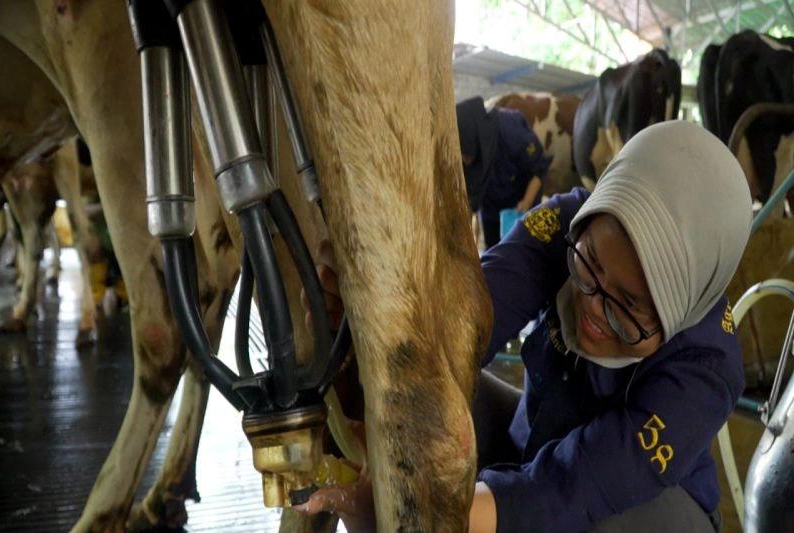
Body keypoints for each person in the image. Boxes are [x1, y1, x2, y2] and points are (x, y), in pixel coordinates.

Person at [296, 120, 752, 532]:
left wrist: (426, 512)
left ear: (679, 311)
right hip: (536, 436)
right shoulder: (566, 222)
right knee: (432, 394)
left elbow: (578, 486)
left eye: (628, 307)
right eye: (588, 267)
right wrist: (365, 330)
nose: (593, 309)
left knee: (596, 524)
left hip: (641, 505)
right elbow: (464, 325)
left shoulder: (705, 370)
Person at [456, 96, 552, 249]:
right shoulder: (464, 141)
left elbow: (538, 168)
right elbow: (470, 198)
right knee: (493, 252)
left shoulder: (511, 129)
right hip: (491, 208)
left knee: (520, 252)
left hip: (518, 206)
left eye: (467, 156)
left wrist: (525, 204)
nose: (466, 161)